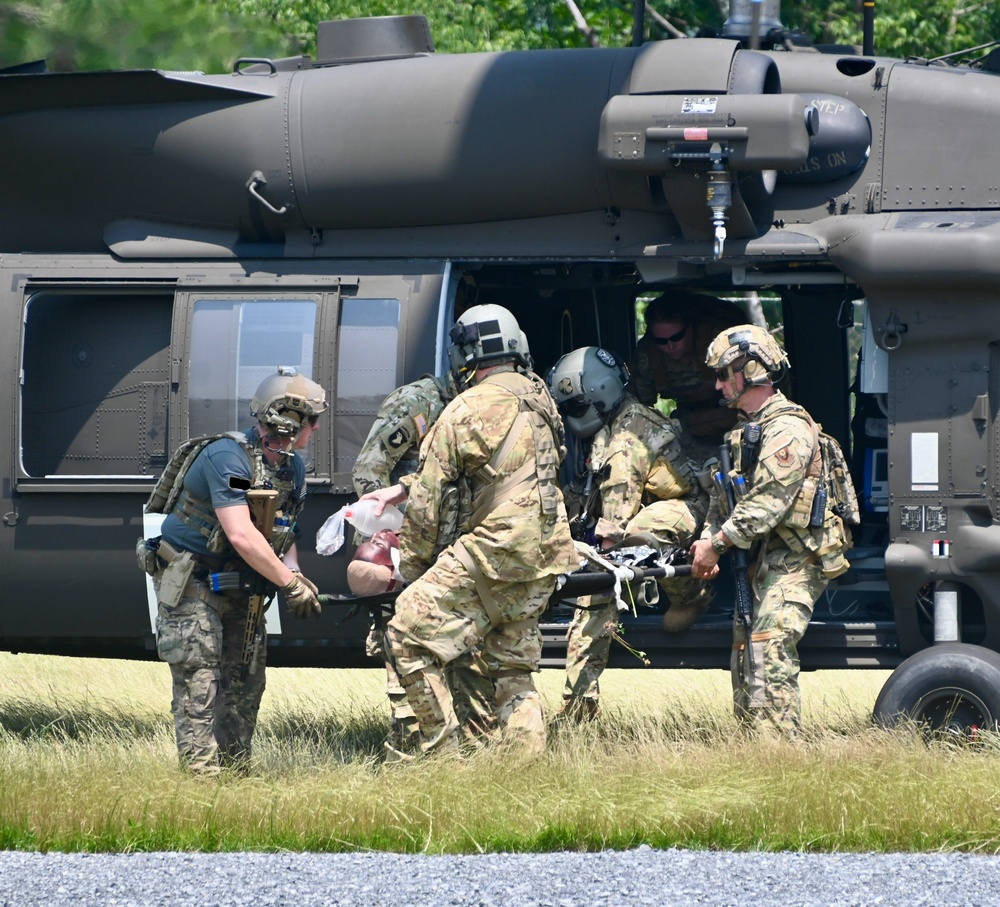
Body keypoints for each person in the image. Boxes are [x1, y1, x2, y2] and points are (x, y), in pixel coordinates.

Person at [360, 304, 579, 757]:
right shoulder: (543, 402)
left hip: (491, 553)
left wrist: (416, 569)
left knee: (405, 634)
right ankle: (525, 772)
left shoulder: (463, 408)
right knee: (512, 674)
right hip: (543, 558)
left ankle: (443, 759)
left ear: (465, 355)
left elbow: (427, 502)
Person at [146, 371, 328, 776]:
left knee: (245, 684)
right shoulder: (227, 457)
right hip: (194, 584)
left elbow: (283, 531)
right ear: (288, 420)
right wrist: (289, 584)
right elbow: (242, 534)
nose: (315, 429)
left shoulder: (290, 468)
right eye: (311, 420)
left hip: (244, 590)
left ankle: (235, 779)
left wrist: (294, 570)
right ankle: (202, 789)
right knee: (201, 686)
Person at [689, 325, 854, 737]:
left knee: (769, 644)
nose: (717, 385)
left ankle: (779, 750)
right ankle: (754, 747)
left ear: (753, 371)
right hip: (764, 558)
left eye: (724, 375)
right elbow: (724, 499)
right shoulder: (745, 432)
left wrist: (718, 544)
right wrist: (708, 540)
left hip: (798, 557)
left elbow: (767, 504)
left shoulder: (787, 430)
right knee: (746, 652)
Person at [548, 346, 711, 720]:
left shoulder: (627, 436)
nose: (571, 415)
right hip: (651, 504)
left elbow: (615, 527)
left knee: (622, 552)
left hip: (688, 508)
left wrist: (596, 567)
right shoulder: (609, 427)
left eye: (574, 406)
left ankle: (692, 594)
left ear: (598, 397)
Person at [351, 374, 458, 757]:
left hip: (446, 552)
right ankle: (408, 747)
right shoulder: (419, 402)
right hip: (405, 550)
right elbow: (368, 471)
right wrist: (390, 538)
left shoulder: (477, 408)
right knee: (401, 655)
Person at [629, 290, 746, 461]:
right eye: (662, 341)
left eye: (676, 337)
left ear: (690, 328)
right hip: (688, 425)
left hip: (735, 417)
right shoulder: (648, 356)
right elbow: (640, 407)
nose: (670, 346)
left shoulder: (720, 343)